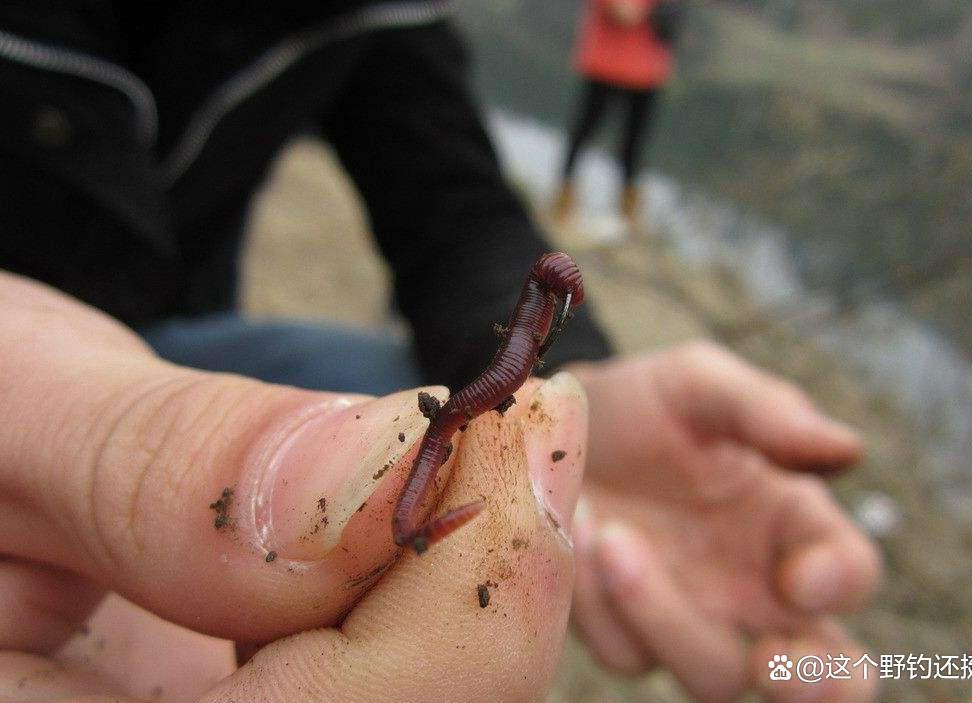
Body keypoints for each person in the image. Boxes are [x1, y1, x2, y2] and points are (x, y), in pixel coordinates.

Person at [0, 2, 880, 702]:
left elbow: (451, 204)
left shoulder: (378, 14)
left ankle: (425, 516)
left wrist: (588, 391)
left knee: (410, 400)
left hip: (184, 331)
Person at [554, 0, 680, 230]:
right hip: (606, 64)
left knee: (634, 144)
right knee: (584, 132)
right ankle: (563, 201)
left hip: (647, 70)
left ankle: (627, 217)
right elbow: (624, 13)